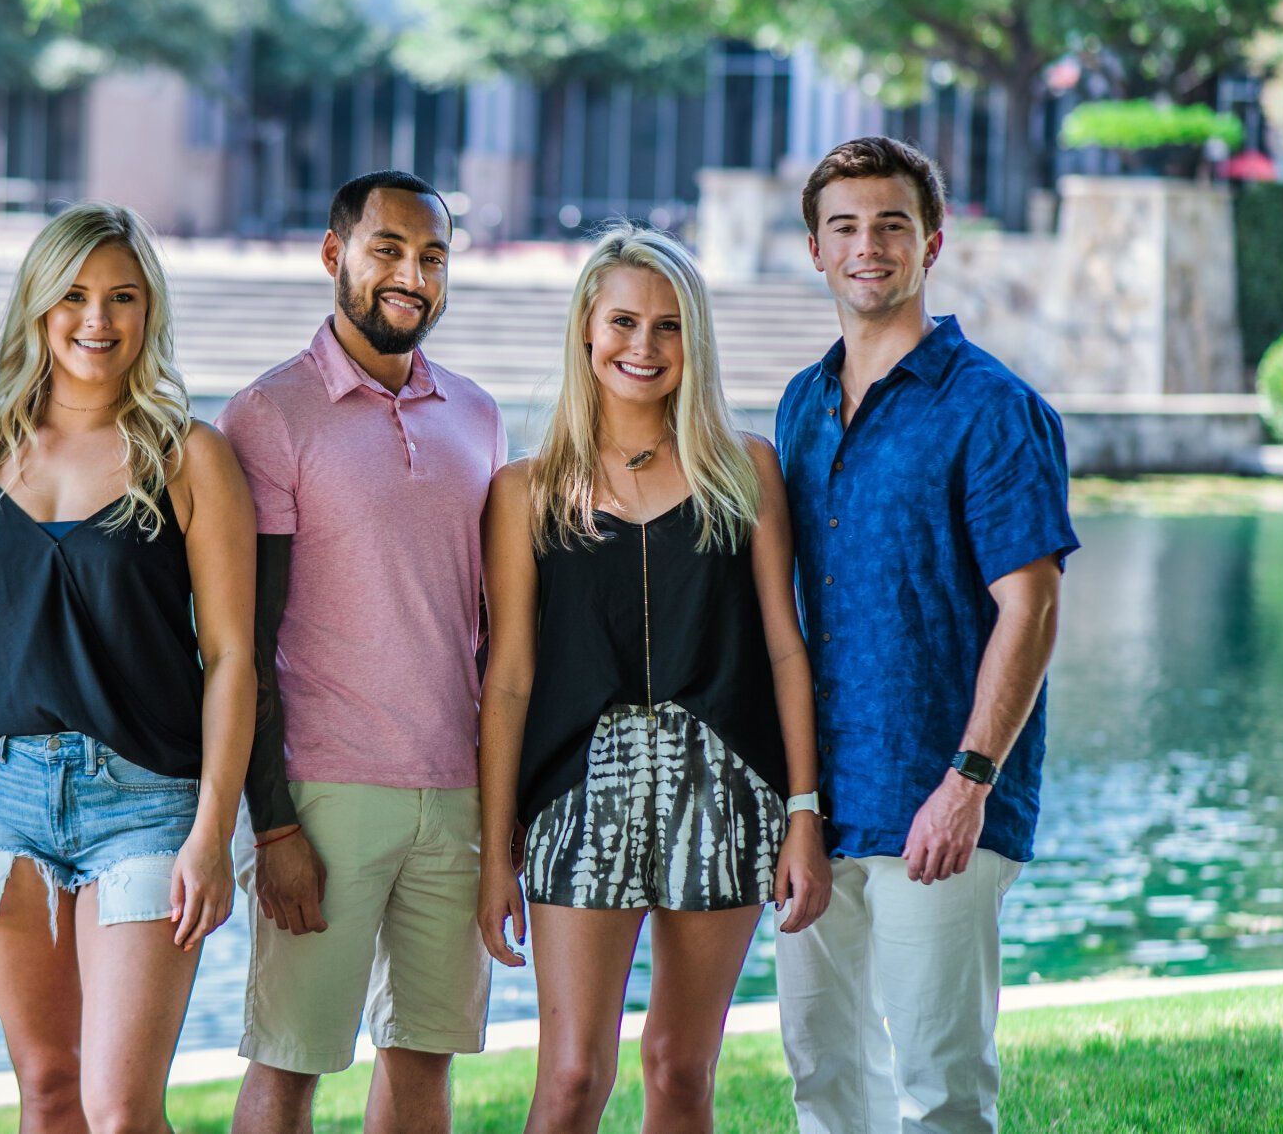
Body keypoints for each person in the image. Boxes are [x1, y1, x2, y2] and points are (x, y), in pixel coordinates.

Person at [0, 201, 257, 1134]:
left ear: (149, 311)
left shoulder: (189, 458)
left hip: (143, 805)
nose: (96, 319)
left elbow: (231, 658)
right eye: (73, 295)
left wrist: (211, 833)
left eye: (122, 297)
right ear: (37, 305)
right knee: (50, 1091)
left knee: (120, 1108)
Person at [476, 224, 830, 1132]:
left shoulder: (744, 469)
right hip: (573, 796)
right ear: (587, 331)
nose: (644, 346)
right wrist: (495, 849)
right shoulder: (525, 490)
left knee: (680, 1067)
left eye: (669, 326)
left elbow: (785, 648)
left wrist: (803, 812)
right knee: (570, 1077)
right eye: (624, 322)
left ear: (694, 339)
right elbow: (508, 678)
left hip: (725, 790)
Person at [773, 136, 1077, 1133]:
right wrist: (794, 800)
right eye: (845, 227)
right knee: (823, 1076)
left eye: (891, 225)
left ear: (932, 242)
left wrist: (968, 781)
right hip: (821, 806)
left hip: (939, 798)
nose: (868, 246)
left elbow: (1031, 607)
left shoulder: (994, 408)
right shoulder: (802, 405)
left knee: (939, 1090)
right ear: (816, 249)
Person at [220, 170, 508, 1134]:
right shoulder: (269, 415)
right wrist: (272, 827)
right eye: (388, 250)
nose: (411, 277)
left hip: (458, 794)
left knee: (425, 1061)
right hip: (324, 796)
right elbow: (244, 640)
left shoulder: (477, 414)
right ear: (333, 253)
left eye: (432, 257)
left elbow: (491, 628)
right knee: (288, 1064)